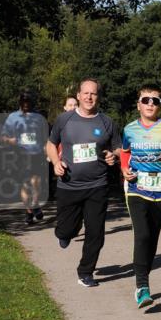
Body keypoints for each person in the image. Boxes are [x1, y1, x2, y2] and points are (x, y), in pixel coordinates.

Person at [46, 78, 120, 287]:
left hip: (98, 185)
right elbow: (51, 144)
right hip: (69, 185)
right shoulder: (64, 119)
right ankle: (65, 232)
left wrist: (112, 157)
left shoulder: (107, 122)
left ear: (98, 97)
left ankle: (85, 272)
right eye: (85, 93)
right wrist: (56, 161)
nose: (89, 97)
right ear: (78, 95)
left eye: (93, 93)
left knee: (96, 232)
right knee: (67, 229)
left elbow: (117, 148)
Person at [120, 84, 161, 308]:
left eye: (155, 101)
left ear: (160, 105)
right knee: (142, 235)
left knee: (153, 240)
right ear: (138, 105)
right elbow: (125, 153)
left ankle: (142, 276)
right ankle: (142, 287)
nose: (150, 104)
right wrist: (123, 170)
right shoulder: (129, 129)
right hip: (136, 188)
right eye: (146, 100)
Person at [1, 90, 48, 224]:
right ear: (20, 102)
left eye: (28, 101)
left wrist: (47, 151)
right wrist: (10, 141)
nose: (26, 104)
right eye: (23, 101)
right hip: (20, 155)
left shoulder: (39, 117)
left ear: (32, 102)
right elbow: (2, 136)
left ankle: (36, 203)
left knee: (36, 182)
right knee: (25, 183)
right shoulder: (12, 117)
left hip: (36, 154)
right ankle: (29, 211)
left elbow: (45, 138)